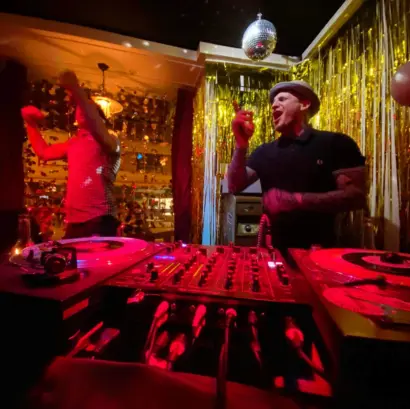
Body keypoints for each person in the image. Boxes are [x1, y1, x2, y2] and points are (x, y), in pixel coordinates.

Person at [228, 80, 367, 251]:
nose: (274, 105)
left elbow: (356, 196)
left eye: (282, 99)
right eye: (273, 102)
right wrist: (241, 145)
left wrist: (296, 200)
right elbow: (234, 185)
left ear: (304, 104)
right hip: (275, 253)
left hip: (321, 253)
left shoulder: (335, 143)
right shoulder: (264, 151)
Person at [21, 70, 121, 239]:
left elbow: (96, 127)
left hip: (100, 218)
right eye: (80, 106)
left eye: (87, 106)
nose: (80, 108)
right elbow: (44, 152)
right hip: (74, 221)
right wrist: (31, 124)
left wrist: (76, 89)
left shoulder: (111, 138)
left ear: (99, 116)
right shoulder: (74, 143)